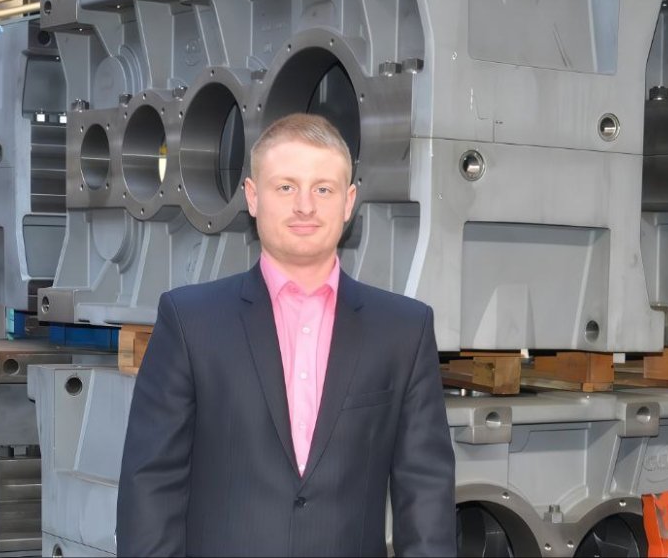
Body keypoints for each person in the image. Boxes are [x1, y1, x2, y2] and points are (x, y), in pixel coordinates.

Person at [117, 113, 456, 556]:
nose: (305, 206)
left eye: (323, 189)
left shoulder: (403, 330)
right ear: (253, 197)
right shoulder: (190, 322)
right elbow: (150, 484)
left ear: (349, 201)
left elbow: (425, 494)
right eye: (286, 187)